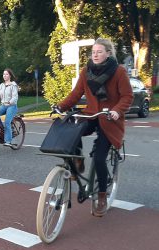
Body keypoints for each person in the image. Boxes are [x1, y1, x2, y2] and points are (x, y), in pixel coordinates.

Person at [56, 38, 133, 217]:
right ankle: (78, 161)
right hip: (91, 115)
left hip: (110, 120)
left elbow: (127, 96)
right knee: (71, 131)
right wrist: (61, 106)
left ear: (108, 53)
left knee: (99, 158)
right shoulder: (86, 71)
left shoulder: (119, 72)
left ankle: (102, 196)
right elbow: (76, 94)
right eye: (93, 52)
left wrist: (116, 111)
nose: (95, 55)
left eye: (99, 52)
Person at [0, 68, 19, 147]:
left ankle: (8, 141)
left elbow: (15, 97)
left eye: (6, 74)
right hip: (3, 105)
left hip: (12, 106)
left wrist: (9, 102)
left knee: (7, 122)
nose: (5, 76)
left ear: (10, 75)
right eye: (4, 74)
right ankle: (3, 130)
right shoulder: (2, 85)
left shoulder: (13, 85)